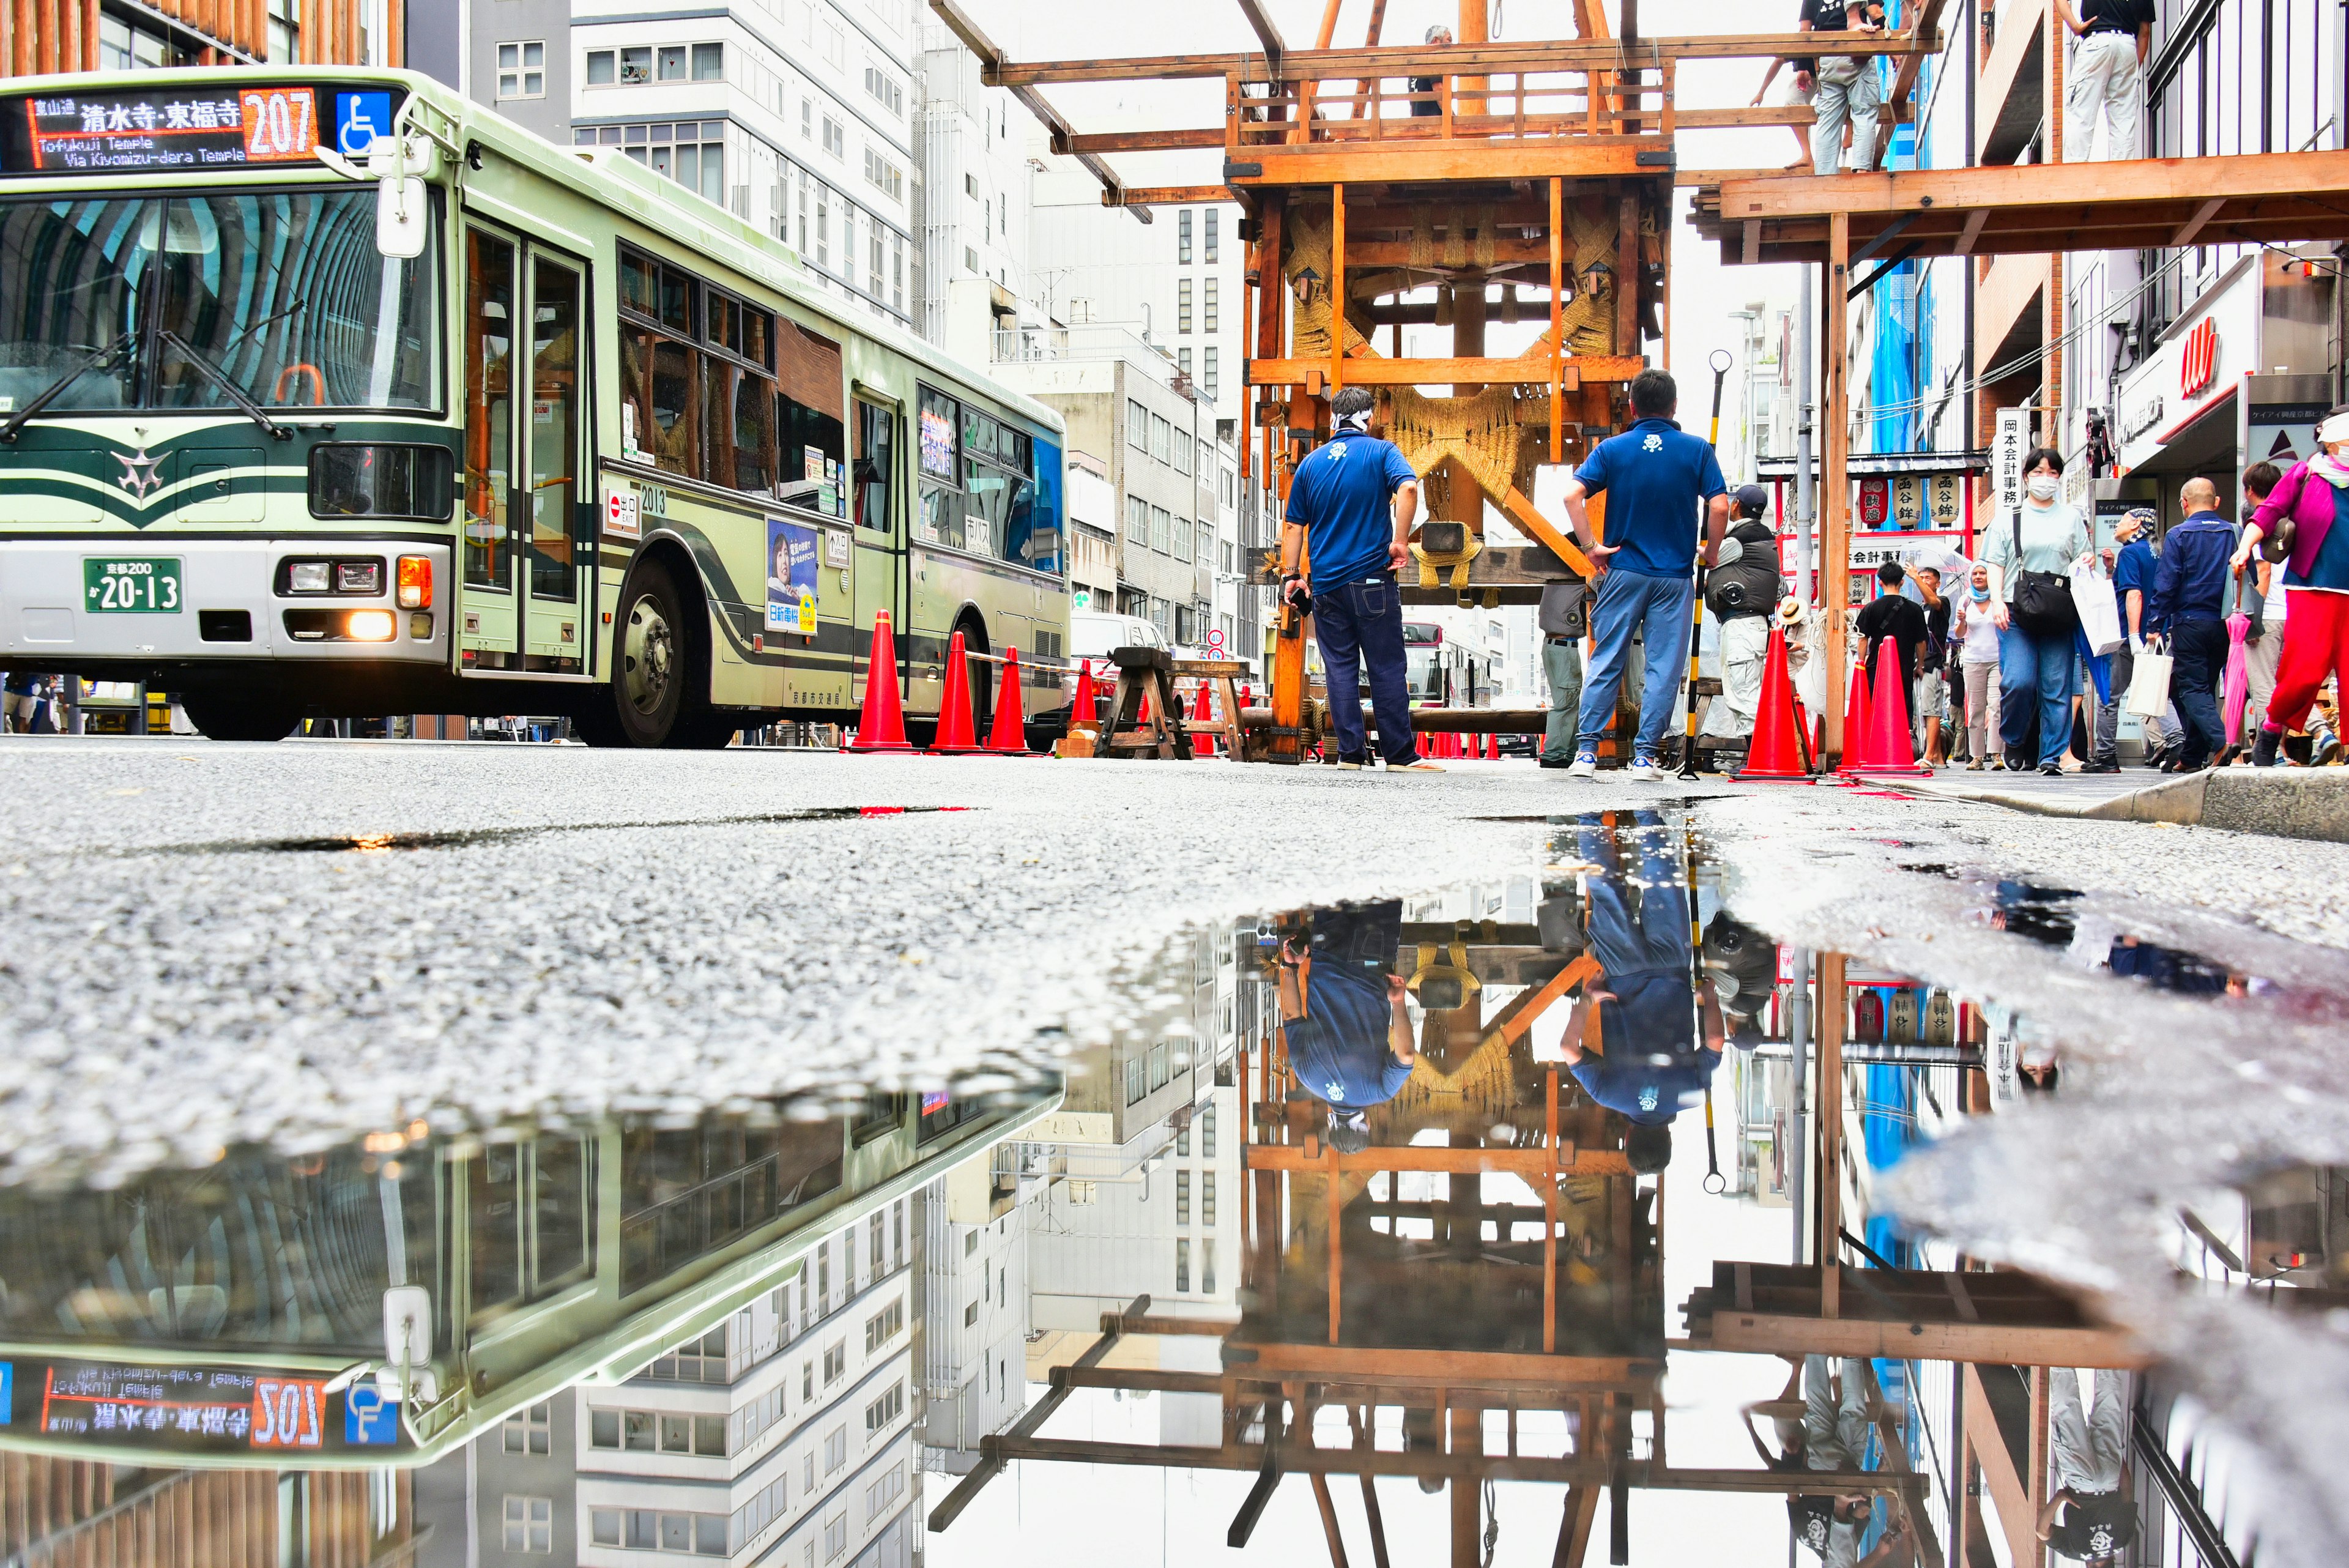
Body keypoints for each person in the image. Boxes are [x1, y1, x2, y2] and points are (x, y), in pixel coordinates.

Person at [1559, 368, 1731, 779]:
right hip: (1674, 577)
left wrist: (1590, 547)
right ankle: (1645, 757)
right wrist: (1710, 552)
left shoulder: (1614, 449)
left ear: (1632, 406)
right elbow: (1721, 506)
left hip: (1623, 571)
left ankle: (1586, 753)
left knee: (1608, 657)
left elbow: (1571, 496)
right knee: (1663, 667)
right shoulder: (1696, 450)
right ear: (1674, 406)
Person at [1279, 385, 1441, 771]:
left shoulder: (1310, 465)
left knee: (1340, 669)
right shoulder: (1382, 452)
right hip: (1371, 580)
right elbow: (1409, 487)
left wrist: (1292, 575)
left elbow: (1293, 526)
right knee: (1386, 666)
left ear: (1334, 419)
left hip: (1327, 588)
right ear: (1368, 419)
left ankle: (1350, 755)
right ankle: (1400, 756)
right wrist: (1399, 542)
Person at [1556, 811, 1721, 1174]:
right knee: (1606, 891)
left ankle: (1648, 815)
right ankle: (1588, 817)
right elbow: (1569, 1049)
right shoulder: (1608, 1094)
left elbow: (1715, 1041)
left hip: (1673, 968)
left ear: (1669, 1138)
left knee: (1663, 883)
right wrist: (1588, 999)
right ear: (1628, 1138)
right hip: (1622, 973)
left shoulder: (1689, 1095)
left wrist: (1709, 995)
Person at [2238, 407, 2349, 768]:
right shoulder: (2306, 474)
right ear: (2332, 441)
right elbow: (2269, 512)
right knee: (2304, 673)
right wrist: (2244, 548)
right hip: (2314, 587)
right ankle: (2271, 729)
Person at [1982, 446, 2095, 775]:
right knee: (2018, 681)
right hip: (2017, 611)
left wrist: (2087, 561)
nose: (2046, 479)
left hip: (2059, 611)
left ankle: (2051, 756)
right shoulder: (2008, 519)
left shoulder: (2072, 518)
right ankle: (2014, 738)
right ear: (2026, 477)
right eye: (2038, 473)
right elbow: (1995, 563)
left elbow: (2081, 561)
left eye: (2053, 473)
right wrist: (1997, 601)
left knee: (2056, 686)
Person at [1276, 901, 1416, 1153]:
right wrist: (1290, 966)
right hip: (1328, 954)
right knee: (1336, 884)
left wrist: (1398, 1002)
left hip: (1373, 960)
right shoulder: (1308, 1077)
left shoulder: (1381, 1090)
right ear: (1330, 1122)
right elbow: (1290, 1013)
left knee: (1384, 884)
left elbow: (1405, 1055)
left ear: (1367, 1123)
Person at [1781, 1356, 1910, 1567]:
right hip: (1819, 1463)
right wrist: (1794, 1456)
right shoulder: (1803, 1533)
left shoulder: (1840, 1558)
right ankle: (1816, 1352)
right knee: (1817, 1405)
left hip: (1846, 1470)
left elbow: (1858, 1509)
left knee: (1853, 1411)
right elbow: (1792, 1489)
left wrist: (1879, 1552)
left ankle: (1851, 1356)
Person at [2151, 477, 2238, 773]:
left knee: (2190, 690)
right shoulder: (2234, 533)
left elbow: (2166, 583)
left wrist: (2155, 622)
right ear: (2216, 502)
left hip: (2189, 624)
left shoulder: (2178, 535)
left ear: (2184, 504)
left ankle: (2221, 741)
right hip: (2225, 625)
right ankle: (2190, 758)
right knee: (2206, 687)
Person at [1700, 485, 1784, 749]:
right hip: (1749, 625)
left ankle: (1758, 756)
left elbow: (1710, 556)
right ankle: (1759, 754)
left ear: (1736, 506)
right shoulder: (1757, 534)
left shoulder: (1741, 538)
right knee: (1746, 689)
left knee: (1743, 691)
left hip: (1742, 626)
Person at [2093, 507, 2169, 771]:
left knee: (2109, 696)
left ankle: (2106, 756)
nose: (2118, 525)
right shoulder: (2157, 553)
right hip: (2158, 633)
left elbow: (2134, 594)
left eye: (2123, 520)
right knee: (2160, 694)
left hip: (2131, 637)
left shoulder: (2130, 553)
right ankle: (2177, 743)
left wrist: (2133, 636)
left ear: (2136, 524)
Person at [2035, 1369, 2137, 1564]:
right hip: (2080, 1483)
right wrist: (2060, 1497)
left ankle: (2110, 1345)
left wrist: (2115, 1459)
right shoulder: (2076, 1551)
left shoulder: (2123, 1541)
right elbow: (2041, 1531)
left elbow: (2127, 1490)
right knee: (2066, 1409)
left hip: (2110, 1479)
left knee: (2110, 1398)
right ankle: (2062, 1349)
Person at [2055, 0, 2154, 162]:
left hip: (2097, 42)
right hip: (2128, 45)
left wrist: (2075, 26)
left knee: (2081, 112)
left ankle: (2075, 172)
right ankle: (2122, 174)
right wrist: (2132, 70)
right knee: (2123, 120)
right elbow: (2144, 33)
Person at [1795, 0, 1885, 176]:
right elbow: (1875, 13)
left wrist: (1803, 66)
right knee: (1864, 114)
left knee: (1828, 122)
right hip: (1855, 53)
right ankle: (1862, 171)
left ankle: (1825, 177)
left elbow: (1804, 30)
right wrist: (1884, 37)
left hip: (1828, 59)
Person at [2233, 462, 2285, 761]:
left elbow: (2262, 570)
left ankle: (2272, 749)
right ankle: (2320, 734)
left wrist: (2255, 622)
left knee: (2264, 684)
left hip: (2270, 614)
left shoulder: (2261, 523)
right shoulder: (2291, 519)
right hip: (2297, 612)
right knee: (2289, 683)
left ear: (2250, 490)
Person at [1855, 559, 1931, 758]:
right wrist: (1919, 665)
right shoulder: (1915, 609)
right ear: (1902, 582)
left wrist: (1861, 664)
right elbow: (1922, 642)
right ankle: (1900, 750)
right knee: (1902, 709)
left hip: (1874, 669)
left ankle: (1875, 749)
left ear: (1880, 582)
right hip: (1904, 668)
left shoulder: (1870, 608)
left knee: (1874, 707)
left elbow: (1862, 639)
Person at [1951, 563, 2003, 768]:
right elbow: (1959, 633)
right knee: (1975, 709)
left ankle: (1997, 754)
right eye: (1975, 573)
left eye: (1983, 573)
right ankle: (1977, 757)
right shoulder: (1965, 600)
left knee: (1997, 706)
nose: (1979, 577)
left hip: (1997, 659)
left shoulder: (1998, 599)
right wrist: (1962, 621)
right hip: (1973, 661)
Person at [1538, 574, 1589, 768]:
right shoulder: (1574, 578)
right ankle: (1555, 753)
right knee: (1566, 702)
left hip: (1555, 646)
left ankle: (1565, 752)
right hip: (1563, 648)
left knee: (1568, 701)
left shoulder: (1552, 581)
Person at [1408, 24, 1451, 118]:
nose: (1452, 45)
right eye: (1449, 40)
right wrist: (1451, 117)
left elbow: (1412, 107)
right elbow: (1438, 90)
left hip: (1418, 125)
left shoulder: (1416, 66)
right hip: (1435, 125)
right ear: (1436, 41)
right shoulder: (1433, 59)